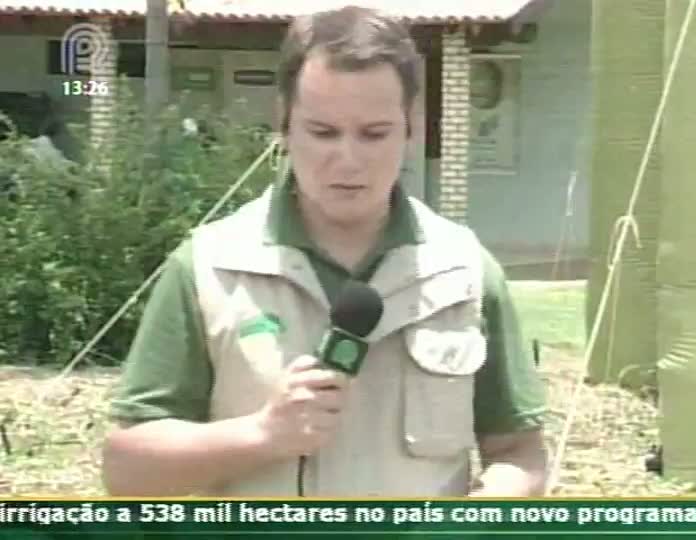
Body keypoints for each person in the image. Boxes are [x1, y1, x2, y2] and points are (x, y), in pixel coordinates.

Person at [101, 5, 548, 497]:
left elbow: (519, 453)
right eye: (323, 132)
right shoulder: (210, 268)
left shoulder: (464, 271)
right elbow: (128, 472)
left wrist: (480, 515)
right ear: (284, 123)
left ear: (411, 125)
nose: (349, 159)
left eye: (374, 134)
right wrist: (262, 434)